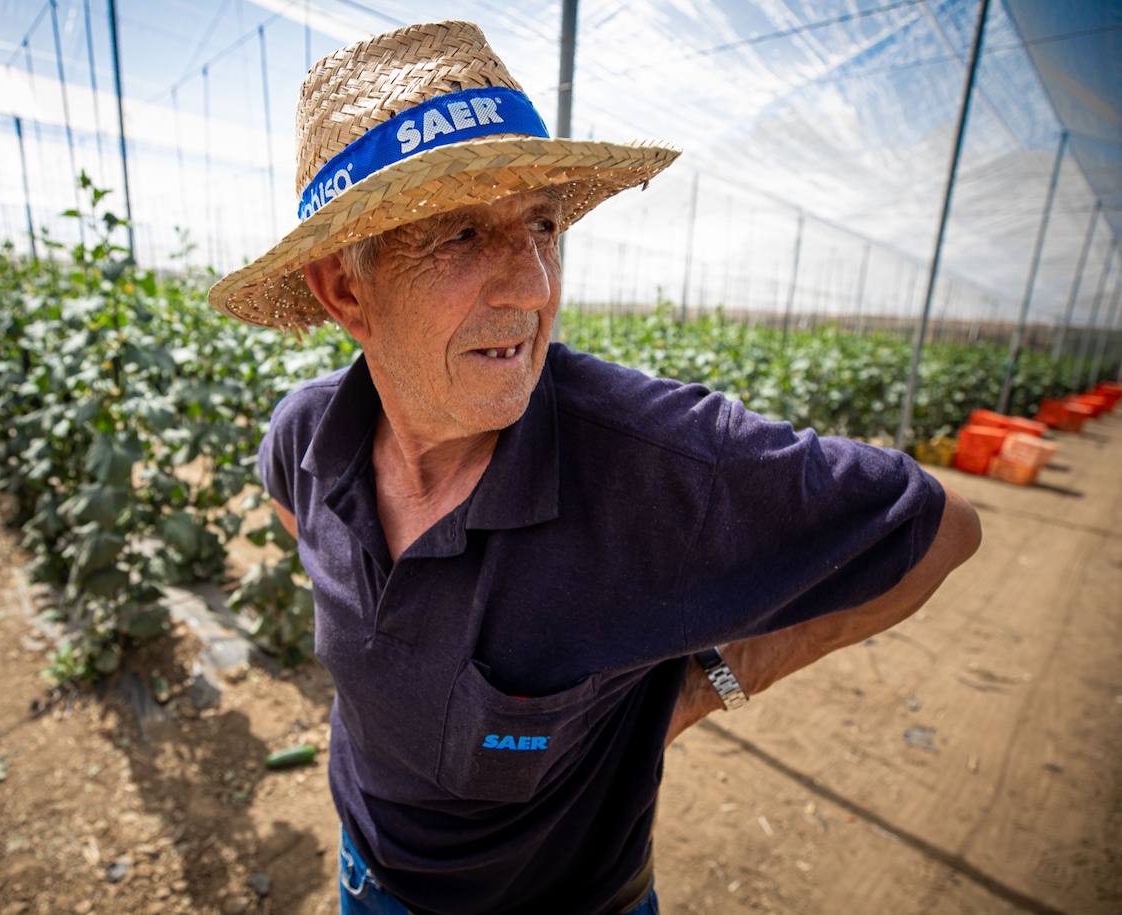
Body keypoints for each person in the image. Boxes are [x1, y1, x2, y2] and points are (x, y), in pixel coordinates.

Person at [208, 20, 981, 915]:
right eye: (461, 235)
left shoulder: (654, 467)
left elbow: (941, 529)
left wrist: (712, 682)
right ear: (346, 290)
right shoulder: (305, 436)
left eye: (541, 225)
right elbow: (296, 516)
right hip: (363, 881)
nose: (535, 284)